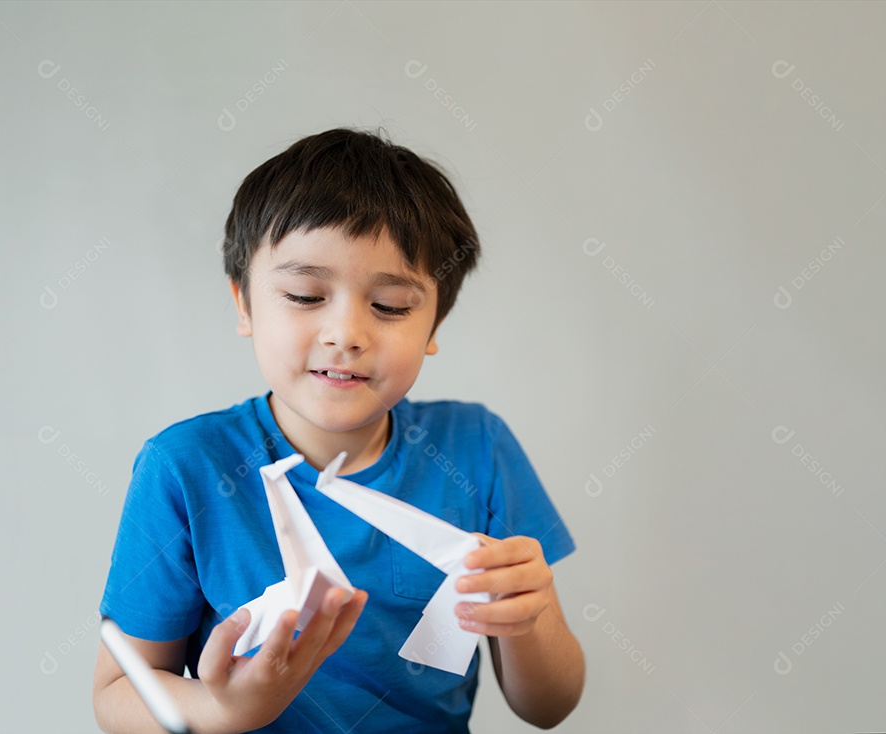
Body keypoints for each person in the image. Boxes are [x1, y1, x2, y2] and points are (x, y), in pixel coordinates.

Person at [92, 127, 584, 733]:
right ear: (244, 305)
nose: (346, 333)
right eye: (304, 295)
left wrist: (529, 620)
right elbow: (117, 693)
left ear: (434, 324)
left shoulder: (476, 448)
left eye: (391, 306)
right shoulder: (187, 466)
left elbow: (548, 707)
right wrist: (226, 710)